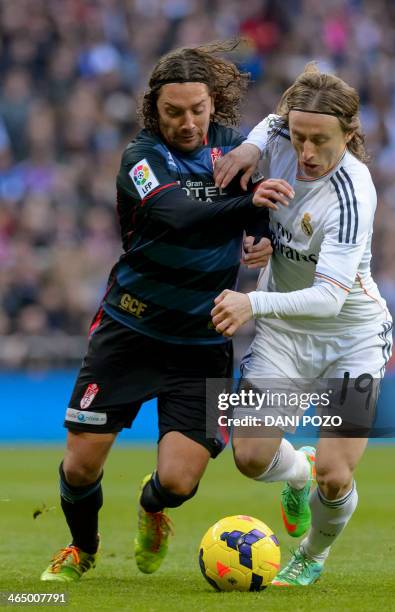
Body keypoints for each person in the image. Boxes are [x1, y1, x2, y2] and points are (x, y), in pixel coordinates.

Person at [40, 40, 293, 582]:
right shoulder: (140, 159)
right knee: (81, 465)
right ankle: (81, 551)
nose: (186, 121)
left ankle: (152, 509)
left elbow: (268, 202)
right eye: (173, 111)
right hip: (130, 331)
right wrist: (248, 205)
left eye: (197, 109)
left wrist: (261, 235)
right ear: (154, 108)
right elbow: (176, 212)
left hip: (201, 344)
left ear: (213, 102)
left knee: (178, 483)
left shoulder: (236, 149)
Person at [211, 63, 393, 586]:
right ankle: (297, 472)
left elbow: (331, 299)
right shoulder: (281, 137)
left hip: (352, 339)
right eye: (298, 137)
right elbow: (271, 123)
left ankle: (311, 554)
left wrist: (253, 304)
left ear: (349, 135)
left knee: (336, 476)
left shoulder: (354, 192)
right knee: (248, 457)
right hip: (285, 337)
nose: (307, 153)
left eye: (321, 141)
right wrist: (249, 145)